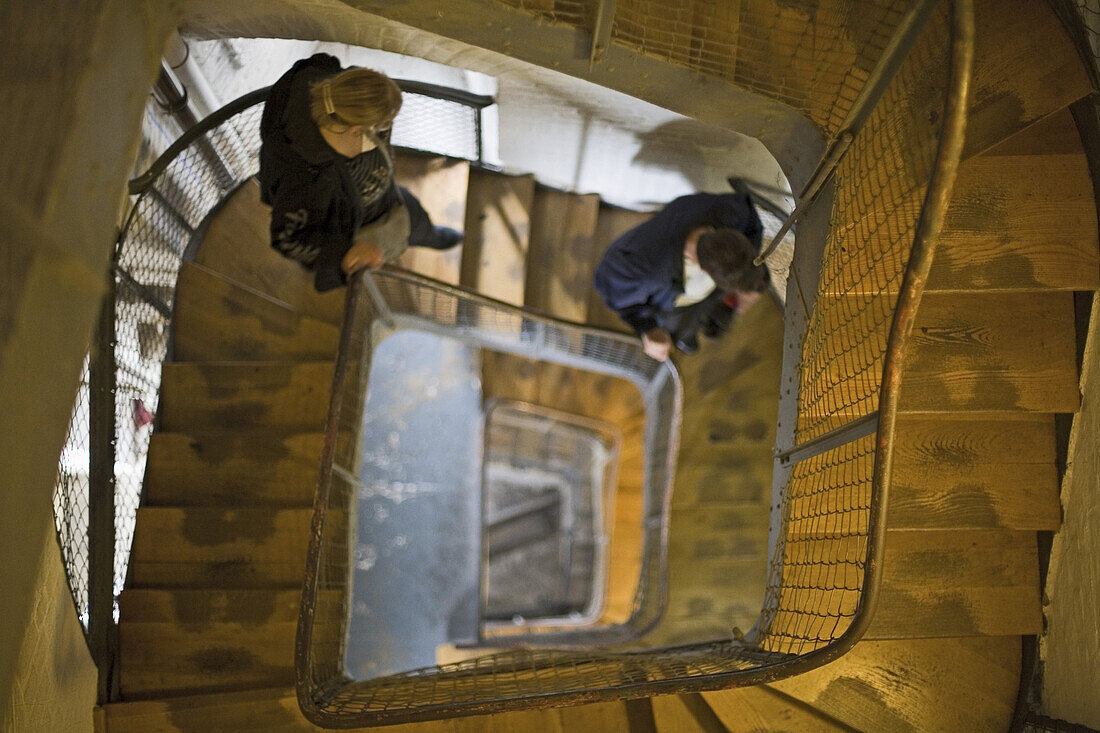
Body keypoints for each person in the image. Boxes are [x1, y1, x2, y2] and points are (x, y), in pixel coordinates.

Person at [258, 53, 462, 292]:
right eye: (382, 127)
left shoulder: (334, 93)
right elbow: (286, 239)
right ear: (356, 130)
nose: (386, 133)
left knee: (418, 221)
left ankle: (431, 236)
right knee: (414, 226)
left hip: (388, 197)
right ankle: (430, 236)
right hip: (362, 227)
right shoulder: (305, 182)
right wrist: (345, 253)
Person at [593, 191, 769, 361]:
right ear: (704, 272)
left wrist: (752, 284)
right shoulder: (647, 270)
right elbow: (613, 290)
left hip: (694, 282)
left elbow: (751, 222)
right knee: (681, 324)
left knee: (762, 280)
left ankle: (707, 318)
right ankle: (683, 334)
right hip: (670, 302)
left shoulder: (727, 211)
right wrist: (648, 329)